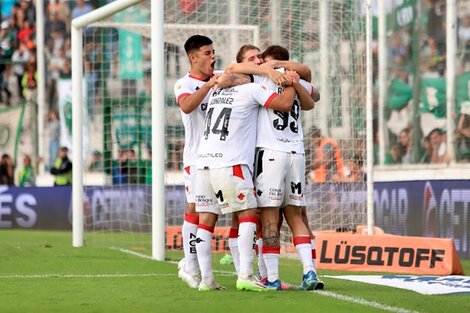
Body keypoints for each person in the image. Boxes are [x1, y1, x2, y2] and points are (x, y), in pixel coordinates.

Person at [194, 72, 297, 291]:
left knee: (205, 221)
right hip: (230, 163)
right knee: (249, 215)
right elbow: (285, 104)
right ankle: (245, 275)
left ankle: (206, 280)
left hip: (202, 163)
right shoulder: (251, 89)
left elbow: (225, 78)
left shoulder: (217, 91)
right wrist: (291, 83)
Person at [173, 35, 220, 289]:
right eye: (207, 53)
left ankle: (202, 267)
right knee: (195, 210)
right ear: (193, 57)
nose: (212, 56)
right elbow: (188, 106)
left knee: (214, 214)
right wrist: (210, 86)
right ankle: (190, 266)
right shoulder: (184, 84)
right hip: (196, 158)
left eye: (213, 52)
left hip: (222, 157)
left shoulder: (221, 76)